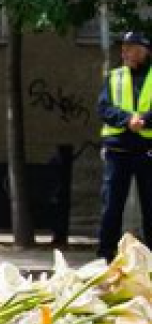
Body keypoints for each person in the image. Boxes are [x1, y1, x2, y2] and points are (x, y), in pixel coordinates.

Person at [97, 31, 152, 261]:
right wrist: (127, 120)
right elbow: (104, 108)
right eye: (124, 48)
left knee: (151, 209)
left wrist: (146, 121)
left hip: (147, 151)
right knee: (111, 207)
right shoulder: (114, 76)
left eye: (131, 48)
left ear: (145, 51)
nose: (125, 52)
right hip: (118, 152)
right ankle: (105, 257)